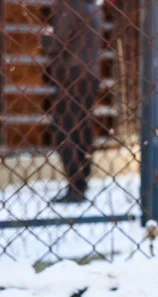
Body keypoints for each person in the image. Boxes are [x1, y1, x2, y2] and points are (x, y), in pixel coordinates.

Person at [43, 0, 104, 203]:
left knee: (63, 129)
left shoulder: (69, 5)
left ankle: (74, 185)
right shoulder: (95, 7)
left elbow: (60, 39)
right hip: (90, 74)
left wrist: (46, 39)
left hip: (71, 73)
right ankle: (81, 182)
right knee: (83, 129)